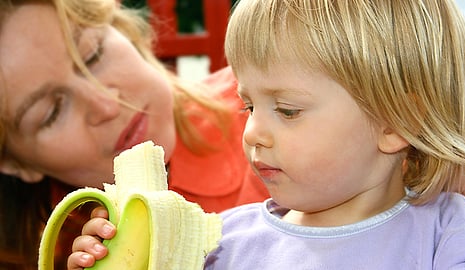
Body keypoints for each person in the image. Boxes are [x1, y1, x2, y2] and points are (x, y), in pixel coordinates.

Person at [68, 0, 465, 269]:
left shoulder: (453, 239)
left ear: (398, 121)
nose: (252, 132)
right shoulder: (219, 245)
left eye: (287, 110)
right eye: (248, 106)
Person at [0, 0, 270, 269]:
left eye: (93, 54)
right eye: (52, 112)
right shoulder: (60, 254)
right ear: (15, 164)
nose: (106, 105)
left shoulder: (286, 102)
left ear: (122, 28)